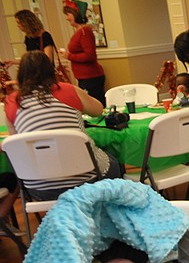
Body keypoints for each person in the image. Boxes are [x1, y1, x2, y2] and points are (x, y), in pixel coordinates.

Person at [3, 51, 123, 201]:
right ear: (50, 70)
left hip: (40, 188)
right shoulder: (68, 90)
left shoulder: (12, 101)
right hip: (87, 181)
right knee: (113, 160)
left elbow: (16, 143)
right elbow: (98, 110)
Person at [59, 0, 106, 106]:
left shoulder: (85, 31)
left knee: (95, 106)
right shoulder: (80, 31)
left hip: (91, 78)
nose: (67, 18)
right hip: (84, 78)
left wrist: (69, 56)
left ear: (76, 14)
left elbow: (90, 55)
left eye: (68, 14)